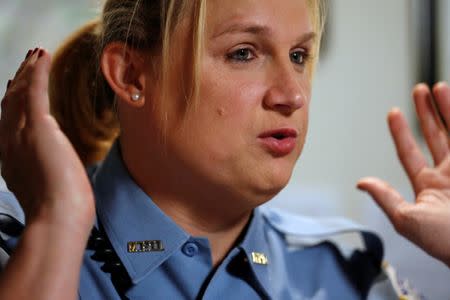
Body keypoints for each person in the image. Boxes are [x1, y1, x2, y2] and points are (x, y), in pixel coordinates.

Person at [0, 0, 449, 299]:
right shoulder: (20, 252)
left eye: (298, 55)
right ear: (133, 75)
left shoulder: (348, 269)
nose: (292, 95)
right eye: (243, 53)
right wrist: (58, 225)